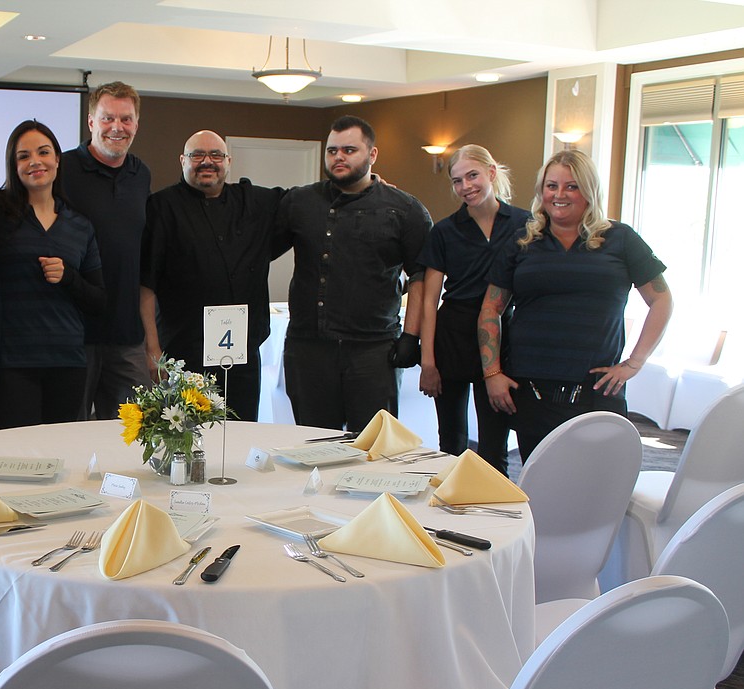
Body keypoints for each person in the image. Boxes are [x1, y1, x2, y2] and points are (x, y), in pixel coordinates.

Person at [479, 148, 673, 460]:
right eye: (551, 186)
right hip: (530, 390)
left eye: (572, 186)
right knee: (539, 483)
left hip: (596, 391)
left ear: (589, 190)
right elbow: (491, 308)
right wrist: (492, 373)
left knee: (595, 484)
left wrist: (634, 363)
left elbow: (661, 299)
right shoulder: (522, 241)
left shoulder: (620, 238)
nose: (559, 195)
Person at [273, 115, 432, 432]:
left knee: (371, 449)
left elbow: (421, 277)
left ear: (372, 155)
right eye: (332, 151)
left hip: (372, 350)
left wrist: (412, 337)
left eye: (349, 150)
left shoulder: (405, 210)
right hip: (308, 347)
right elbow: (256, 250)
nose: (338, 157)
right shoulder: (299, 202)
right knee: (312, 444)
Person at [140, 130, 285, 421]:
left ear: (228, 162)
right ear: (182, 161)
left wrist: (370, 182)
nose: (208, 162)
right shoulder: (162, 207)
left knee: (241, 432)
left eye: (216, 155)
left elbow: (306, 200)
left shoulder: (254, 202)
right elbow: (146, 285)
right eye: (197, 155)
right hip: (184, 352)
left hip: (242, 355)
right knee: (184, 435)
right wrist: (153, 349)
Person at [0, 120, 105, 428]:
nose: (35, 161)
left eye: (43, 152)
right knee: (12, 459)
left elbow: (99, 301)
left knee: (59, 458)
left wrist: (68, 277)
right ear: (13, 165)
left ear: (58, 159)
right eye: (23, 156)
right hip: (11, 363)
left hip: (67, 363)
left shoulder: (80, 225)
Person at [417, 145, 526, 475]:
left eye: (472, 176)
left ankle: (496, 517)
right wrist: (428, 362)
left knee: (495, 443)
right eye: (457, 181)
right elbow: (429, 300)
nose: (465, 186)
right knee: (451, 440)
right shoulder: (445, 231)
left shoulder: (525, 223)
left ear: (491, 172)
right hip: (453, 333)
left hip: (503, 335)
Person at [60, 81, 152, 419]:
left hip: (126, 334)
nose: (117, 127)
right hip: (75, 331)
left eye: (126, 119)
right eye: (108, 118)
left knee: (133, 433)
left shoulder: (140, 174)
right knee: (71, 429)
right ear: (91, 123)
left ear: (136, 124)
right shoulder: (63, 169)